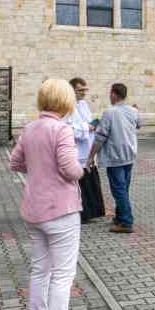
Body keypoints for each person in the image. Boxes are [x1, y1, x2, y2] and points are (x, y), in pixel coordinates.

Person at [9, 78, 91, 310]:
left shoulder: (30, 128)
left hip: (34, 210)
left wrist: (39, 169)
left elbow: (15, 162)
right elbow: (70, 170)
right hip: (60, 211)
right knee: (63, 274)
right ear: (65, 101)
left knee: (40, 270)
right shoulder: (62, 129)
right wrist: (81, 169)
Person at [87, 83, 140, 234]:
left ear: (113, 94)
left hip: (115, 157)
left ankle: (126, 222)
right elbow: (138, 125)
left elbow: (100, 137)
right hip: (129, 155)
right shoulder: (133, 111)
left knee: (119, 190)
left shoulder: (109, 113)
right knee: (123, 189)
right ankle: (119, 217)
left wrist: (91, 156)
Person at [66, 77, 105, 224]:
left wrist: (93, 125)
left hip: (88, 148)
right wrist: (87, 127)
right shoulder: (66, 107)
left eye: (84, 90)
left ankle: (93, 212)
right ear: (71, 90)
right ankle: (83, 214)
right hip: (77, 151)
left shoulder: (83, 104)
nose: (83, 93)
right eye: (80, 90)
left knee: (90, 182)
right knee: (81, 184)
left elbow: (87, 121)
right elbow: (68, 128)